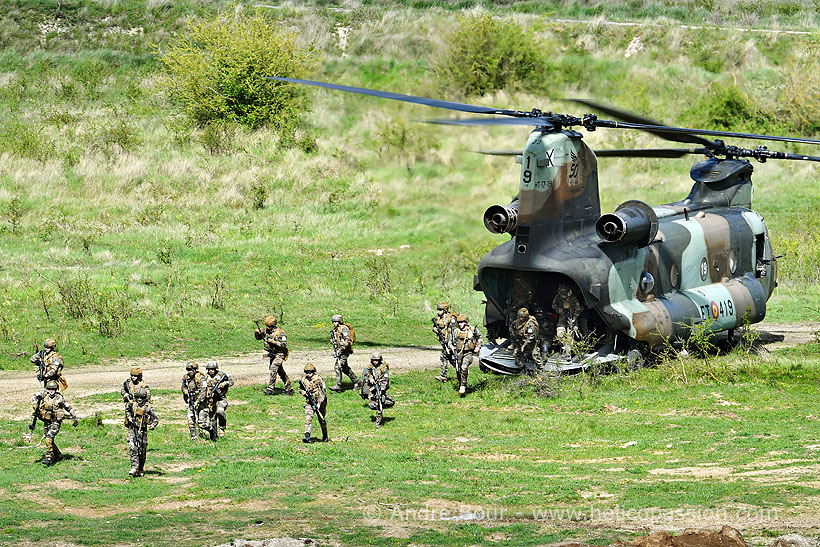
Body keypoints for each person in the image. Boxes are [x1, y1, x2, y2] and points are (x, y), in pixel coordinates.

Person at [25, 380, 78, 466]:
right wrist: (35, 405)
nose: (51, 391)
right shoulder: (45, 396)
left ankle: (48, 458)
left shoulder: (60, 398)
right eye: (49, 389)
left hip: (55, 422)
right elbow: (34, 396)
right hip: (46, 421)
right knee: (49, 440)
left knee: (49, 438)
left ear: (56, 389)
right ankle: (58, 455)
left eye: (53, 389)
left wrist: (75, 417)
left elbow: (68, 407)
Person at [255, 316, 293, 396]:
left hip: (280, 354)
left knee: (273, 368)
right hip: (272, 354)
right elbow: (258, 338)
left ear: (274, 325)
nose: (268, 328)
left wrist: (273, 342)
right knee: (280, 372)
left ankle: (270, 388)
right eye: (267, 326)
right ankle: (289, 388)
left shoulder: (280, 333)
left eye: (269, 327)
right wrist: (257, 333)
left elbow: (283, 345)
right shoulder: (266, 331)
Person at [125, 387, 158, 477]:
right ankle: (134, 467)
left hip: (143, 431)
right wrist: (130, 418)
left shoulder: (148, 407)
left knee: (142, 451)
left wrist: (153, 425)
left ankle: (140, 468)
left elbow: (156, 418)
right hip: (132, 429)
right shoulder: (131, 405)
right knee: (133, 447)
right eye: (138, 398)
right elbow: (127, 410)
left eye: (141, 398)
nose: (139, 400)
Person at [197, 361, 233, 440]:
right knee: (212, 419)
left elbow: (231, 382)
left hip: (221, 398)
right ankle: (214, 437)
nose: (211, 371)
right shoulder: (205, 378)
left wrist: (225, 383)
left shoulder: (222, 375)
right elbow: (203, 389)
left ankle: (222, 427)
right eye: (209, 369)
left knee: (220, 411)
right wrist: (201, 400)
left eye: (212, 369)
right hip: (211, 400)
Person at [450, 315, 482, 396]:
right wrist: (452, 347)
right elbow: (450, 341)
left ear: (466, 322)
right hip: (458, 353)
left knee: (464, 367)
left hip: (468, 353)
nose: (460, 324)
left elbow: (480, 338)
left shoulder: (472, 330)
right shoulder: (456, 331)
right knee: (458, 369)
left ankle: (463, 385)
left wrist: (478, 346)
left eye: (462, 322)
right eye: (459, 322)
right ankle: (461, 383)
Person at [361, 352, 394, 428]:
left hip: (380, 388)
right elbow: (364, 376)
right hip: (372, 389)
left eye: (377, 360)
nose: (375, 362)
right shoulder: (369, 368)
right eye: (374, 360)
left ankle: (378, 422)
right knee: (372, 405)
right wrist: (370, 379)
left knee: (382, 403)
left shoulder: (383, 368)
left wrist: (381, 389)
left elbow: (386, 380)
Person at [298, 363, 328, 443]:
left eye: (310, 372)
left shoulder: (318, 379)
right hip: (309, 401)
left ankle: (325, 435)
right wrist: (303, 392)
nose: (308, 374)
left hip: (320, 402)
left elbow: (323, 393)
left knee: (322, 419)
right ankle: (307, 436)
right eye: (307, 372)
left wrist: (318, 404)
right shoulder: (304, 380)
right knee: (308, 418)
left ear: (314, 372)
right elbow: (300, 389)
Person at [552, 283, 583, 357]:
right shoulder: (558, 297)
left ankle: (567, 353)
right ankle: (564, 348)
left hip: (571, 319)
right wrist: (559, 310)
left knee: (569, 337)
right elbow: (553, 305)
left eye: (565, 294)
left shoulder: (573, 298)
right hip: (562, 318)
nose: (563, 296)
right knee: (559, 335)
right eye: (562, 295)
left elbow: (578, 309)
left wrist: (574, 318)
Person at [329, 314, 358, 392]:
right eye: (333, 322)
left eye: (336, 322)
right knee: (345, 368)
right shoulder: (335, 330)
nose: (334, 323)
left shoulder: (344, 328)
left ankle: (338, 385)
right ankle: (357, 381)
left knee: (337, 366)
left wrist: (341, 349)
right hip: (340, 350)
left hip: (345, 351)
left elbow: (347, 340)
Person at [432, 302, 457, 382]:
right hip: (444, 341)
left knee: (453, 359)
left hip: (451, 342)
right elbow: (435, 327)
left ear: (444, 310)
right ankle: (443, 376)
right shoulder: (438, 319)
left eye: (440, 310)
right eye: (438, 309)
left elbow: (455, 331)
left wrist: (451, 343)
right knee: (444, 357)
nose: (438, 312)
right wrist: (435, 330)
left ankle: (461, 371)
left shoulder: (451, 318)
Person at [181, 361, 204, 441]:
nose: (190, 371)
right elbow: (183, 387)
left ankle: (211, 431)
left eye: (191, 369)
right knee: (190, 420)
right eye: (188, 370)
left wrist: (198, 401)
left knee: (202, 423)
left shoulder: (200, 377)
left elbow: (203, 391)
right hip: (191, 401)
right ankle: (194, 438)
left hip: (201, 402)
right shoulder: (185, 378)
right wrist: (185, 391)